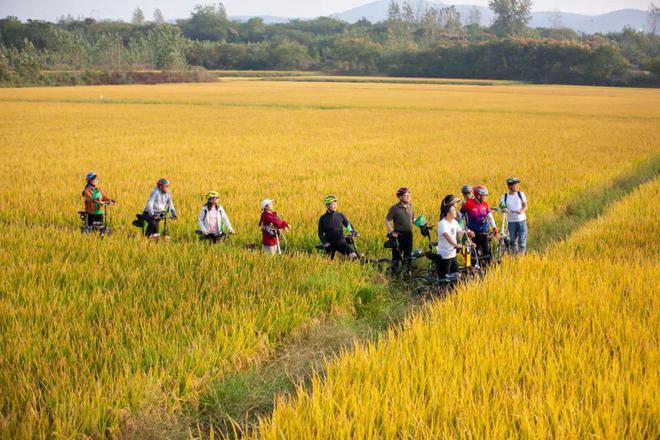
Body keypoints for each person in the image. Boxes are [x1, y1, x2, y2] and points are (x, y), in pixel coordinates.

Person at [437, 195, 473, 278]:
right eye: (453, 210)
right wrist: (455, 245)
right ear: (448, 213)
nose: (455, 211)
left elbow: (460, 231)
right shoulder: (442, 223)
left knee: (456, 275)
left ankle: (454, 290)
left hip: (452, 254)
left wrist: (469, 240)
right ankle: (441, 290)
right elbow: (447, 236)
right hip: (445, 255)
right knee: (445, 278)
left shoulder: (453, 222)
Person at [460, 185, 497, 263]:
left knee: (487, 253)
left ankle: (488, 271)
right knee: (474, 255)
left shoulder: (485, 204)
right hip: (473, 234)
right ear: (478, 195)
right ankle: (474, 271)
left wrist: (494, 227)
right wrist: (467, 230)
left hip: (484, 232)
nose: (485, 197)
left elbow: (490, 216)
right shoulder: (468, 204)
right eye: (484, 195)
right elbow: (459, 219)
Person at [318, 195, 359, 260]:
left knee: (354, 256)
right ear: (327, 206)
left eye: (335, 204)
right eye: (332, 204)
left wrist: (353, 231)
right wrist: (325, 243)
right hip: (329, 243)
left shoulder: (340, 215)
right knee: (328, 262)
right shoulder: (323, 218)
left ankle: (347, 267)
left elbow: (347, 225)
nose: (335, 206)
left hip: (340, 242)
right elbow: (320, 233)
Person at [385, 187, 415, 268]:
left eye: (409, 195)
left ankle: (407, 274)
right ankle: (394, 275)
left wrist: (422, 224)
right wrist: (391, 231)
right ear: (400, 197)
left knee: (408, 255)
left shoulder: (410, 206)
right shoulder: (395, 208)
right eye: (405, 195)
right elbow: (387, 220)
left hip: (409, 234)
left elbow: (413, 219)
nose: (408, 197)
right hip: (398, 235)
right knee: (396, 256)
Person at [500, 177, 528, 255]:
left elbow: (525, 206)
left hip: (522, 221)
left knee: (521, 242)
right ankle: (514, 258)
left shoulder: (521, 194)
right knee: (512, 242)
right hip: (511, 222)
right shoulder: (504, 197)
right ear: (509, 186)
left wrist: (521, 211)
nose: (517, 187)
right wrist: (504, 209)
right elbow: (502, 208)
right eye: (515, 185)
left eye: (517, 185)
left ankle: (521, 259)